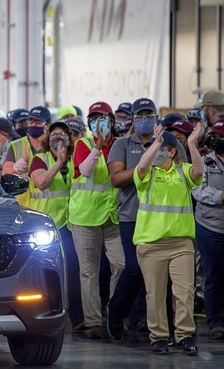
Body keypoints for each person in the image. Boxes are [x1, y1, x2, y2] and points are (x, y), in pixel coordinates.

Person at [106, 98, 188, 339]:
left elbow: (182, 171)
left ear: (156, 118)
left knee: (163, 275)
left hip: (164, 221)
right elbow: (116, 178)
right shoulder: (122, 144)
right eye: (140, 116)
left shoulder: (170, 142)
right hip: (132, 217)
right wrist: (146, 165)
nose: (145, 120)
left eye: (149, 115)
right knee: (134, 270)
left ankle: (160, 325)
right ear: (133, 119)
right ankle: (116, 311)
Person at [133, 124, 203, 355]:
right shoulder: (146, 175)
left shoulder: (183, 172)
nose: (153, 152)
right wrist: (155, 142)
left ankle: (184, 335)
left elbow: (199, 172)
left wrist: (191, 144)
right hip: (150, 245)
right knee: (155, 294)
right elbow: (142, 164)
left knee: (185, 292)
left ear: (171, 151)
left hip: (181, 244)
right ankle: (159, 337)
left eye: (160, 147)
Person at [70, 102, 125, 338]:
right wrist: (97, 148)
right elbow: (85, 171)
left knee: (122, 265)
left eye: (102, 118)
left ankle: (115, 314)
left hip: (113, 216)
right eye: (93, 119)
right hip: (85, 217)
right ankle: (93, 321)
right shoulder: (83, 144)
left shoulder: (121, 144)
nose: (98, 122)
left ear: (111, 121)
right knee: (89, 271)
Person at [26, 120, 84, 331]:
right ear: (47, 138)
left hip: (70, 225)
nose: (58, 138)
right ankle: (47, 314)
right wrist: (58, 162)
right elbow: (41, 182)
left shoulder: (75, 161)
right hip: (47, 227)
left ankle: (78, 318)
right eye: (54, 134)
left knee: (74, 271)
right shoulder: (39, 160)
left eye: (63, 134)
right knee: (47, 272)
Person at [192, 118, 224, 339]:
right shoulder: (205, 162)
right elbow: (197, 190)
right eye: (213, 136)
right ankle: (215, 322)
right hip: (211, 226)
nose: (216, 141)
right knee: (214, 275)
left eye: (221, 137)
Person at [2, 106, 51, 176]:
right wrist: (22, 163)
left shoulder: (54, 145)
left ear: (48, 125)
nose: (34, 124)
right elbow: (6, 173)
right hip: (24, 187)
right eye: (30, 121)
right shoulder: (15, 145)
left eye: (38, 122)